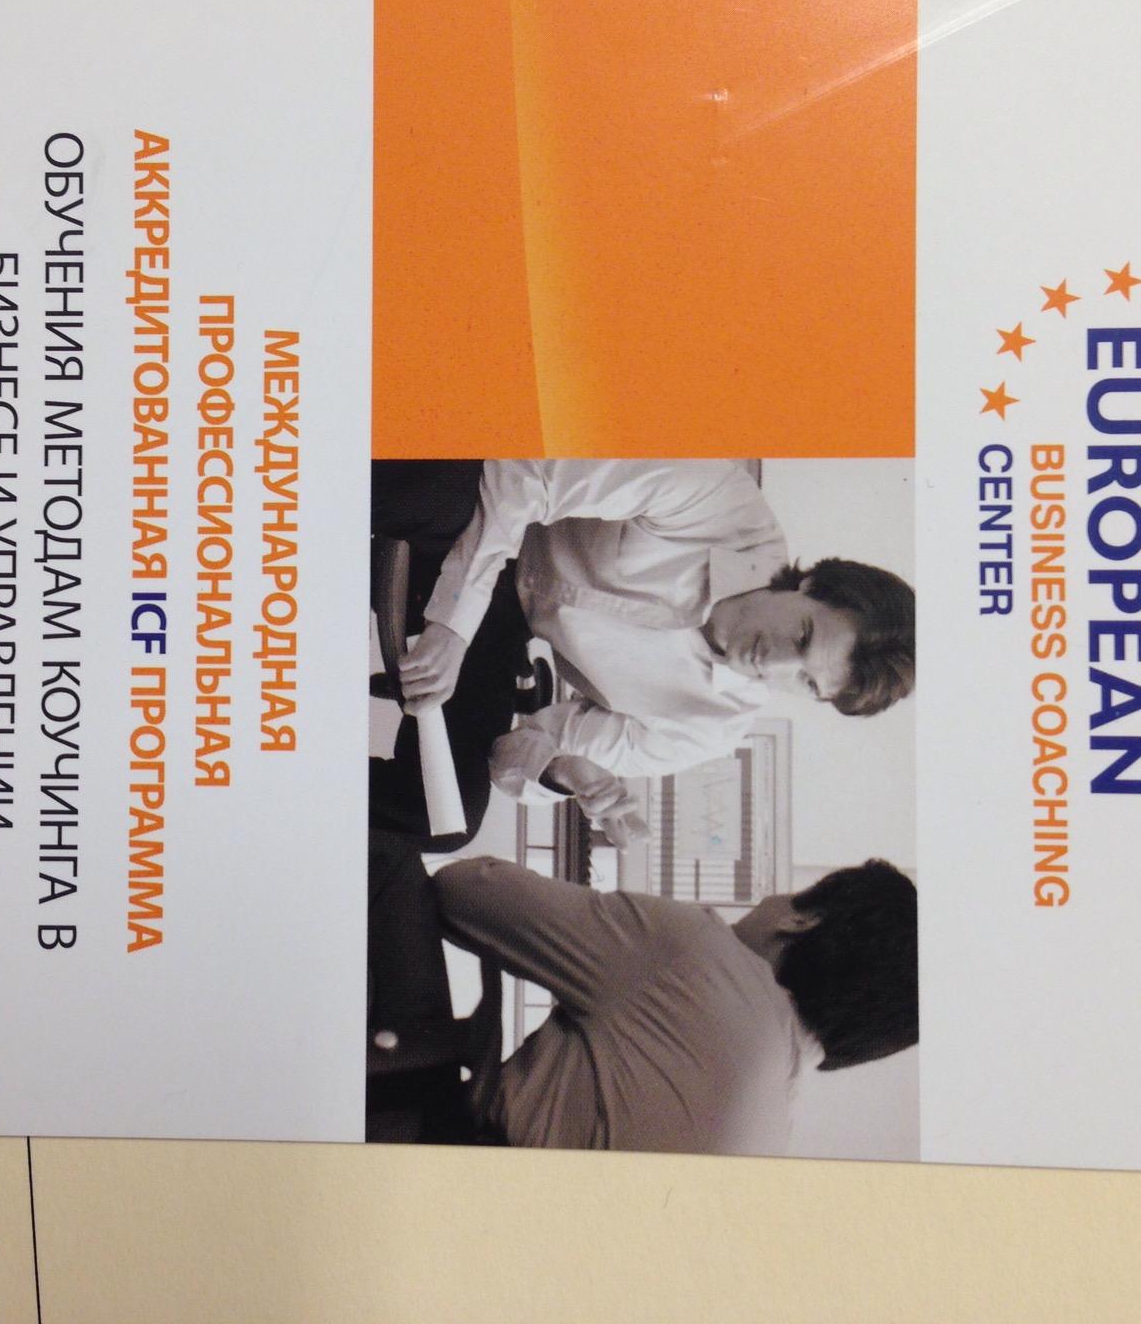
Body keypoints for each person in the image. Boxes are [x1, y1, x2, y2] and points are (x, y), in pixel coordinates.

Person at [370, 458, 915, 848]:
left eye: (807, 683)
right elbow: (527, 472)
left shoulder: (709, 728)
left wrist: (566, 769)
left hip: (502, 631)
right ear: (811, 584)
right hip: (489, 523)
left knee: (444, 820)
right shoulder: (721, 498)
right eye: (802, 637)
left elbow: (511, 752)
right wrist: (453, 621)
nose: (773, 666)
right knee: (433, 484)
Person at [370, 850, 918, 1153]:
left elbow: (467, 889)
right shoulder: (773, 1141)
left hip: (430, 1163)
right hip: (491, 1262)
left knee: (389, 860)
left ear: (801, 918)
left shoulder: (701, 953)